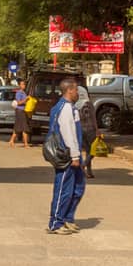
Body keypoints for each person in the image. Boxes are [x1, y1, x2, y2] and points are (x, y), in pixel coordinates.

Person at [46, 78, 85, 234]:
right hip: (66, 154)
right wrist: (74, 156)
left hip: (73, 153)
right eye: (76, 90)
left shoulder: (70, 107)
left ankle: (68, 217)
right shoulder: (65, 108)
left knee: (78, 187)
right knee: (64, 189)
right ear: (69, 90)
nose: (77, 93)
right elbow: (67, 133)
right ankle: (56, 222)